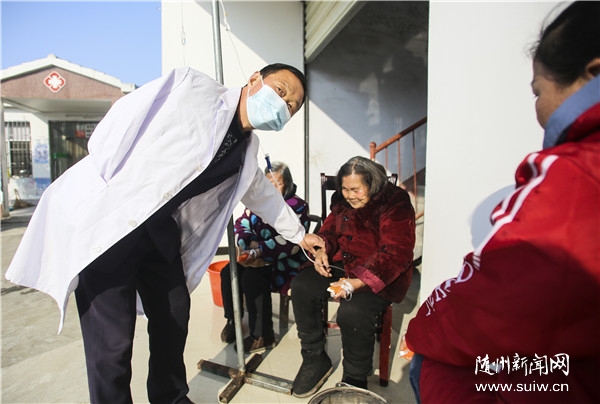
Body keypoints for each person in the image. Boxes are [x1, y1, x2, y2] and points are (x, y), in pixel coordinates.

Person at [5, 63, 324, 404]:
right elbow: (123, 115)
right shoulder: (193, 88)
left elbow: (260, 193)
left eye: (291, 106)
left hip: (160, 233)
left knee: (173, 315)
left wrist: (299, 234)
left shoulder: (246, 149)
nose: (283, 105)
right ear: (255, 79)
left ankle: (170, 397)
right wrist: (112, 183)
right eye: (280, 91)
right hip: (112, 225)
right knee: (112, 341)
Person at [405, 2, 600, 403]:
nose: (537, 109)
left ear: (592, 75)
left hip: (563, 378)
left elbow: (494, 298)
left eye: (538, 92)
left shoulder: (574, 171)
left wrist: (419, 330)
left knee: (432, 363)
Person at [290, 156, 416, 398]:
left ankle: (355, 378)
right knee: (303, 286)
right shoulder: (342, 199)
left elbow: (396, 252)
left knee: (353, 311)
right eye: (345, 189)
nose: (350, 196)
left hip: (380, 271)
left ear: (372, 183)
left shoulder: (395, 202)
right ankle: (314, 357)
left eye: (356, 189)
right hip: (344, 262)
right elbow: (329, 229)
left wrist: (356, 282)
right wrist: (322, 249)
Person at [219, 161, 310, 353]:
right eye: (268, 183)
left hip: (283, 260)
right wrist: (248, 242)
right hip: (254, 255)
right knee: (228, 272)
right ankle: (233, 320)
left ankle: (262, 334)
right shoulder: (258, 203)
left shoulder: (297, 206)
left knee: (252, 278)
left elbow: (294, 242)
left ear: (287, 183)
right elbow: (241, 224)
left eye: (278, 183)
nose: (273, 188)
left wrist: (260, 249)